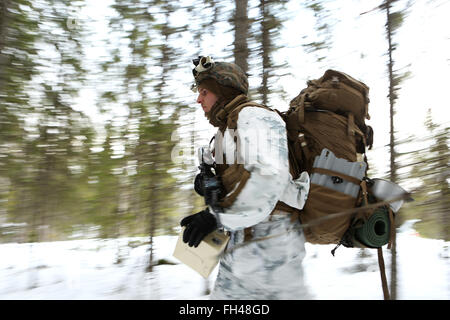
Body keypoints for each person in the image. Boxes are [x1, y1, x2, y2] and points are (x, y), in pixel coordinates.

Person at [180, 56, 312, 300]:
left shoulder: (254, 117)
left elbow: (268, 178)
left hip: (272, 239)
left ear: (223, 90)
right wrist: (206, 184)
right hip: (242, 236)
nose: (199, 99)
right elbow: (234, 183)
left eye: (205, 92)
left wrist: (216, 217)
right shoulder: (223, 133)